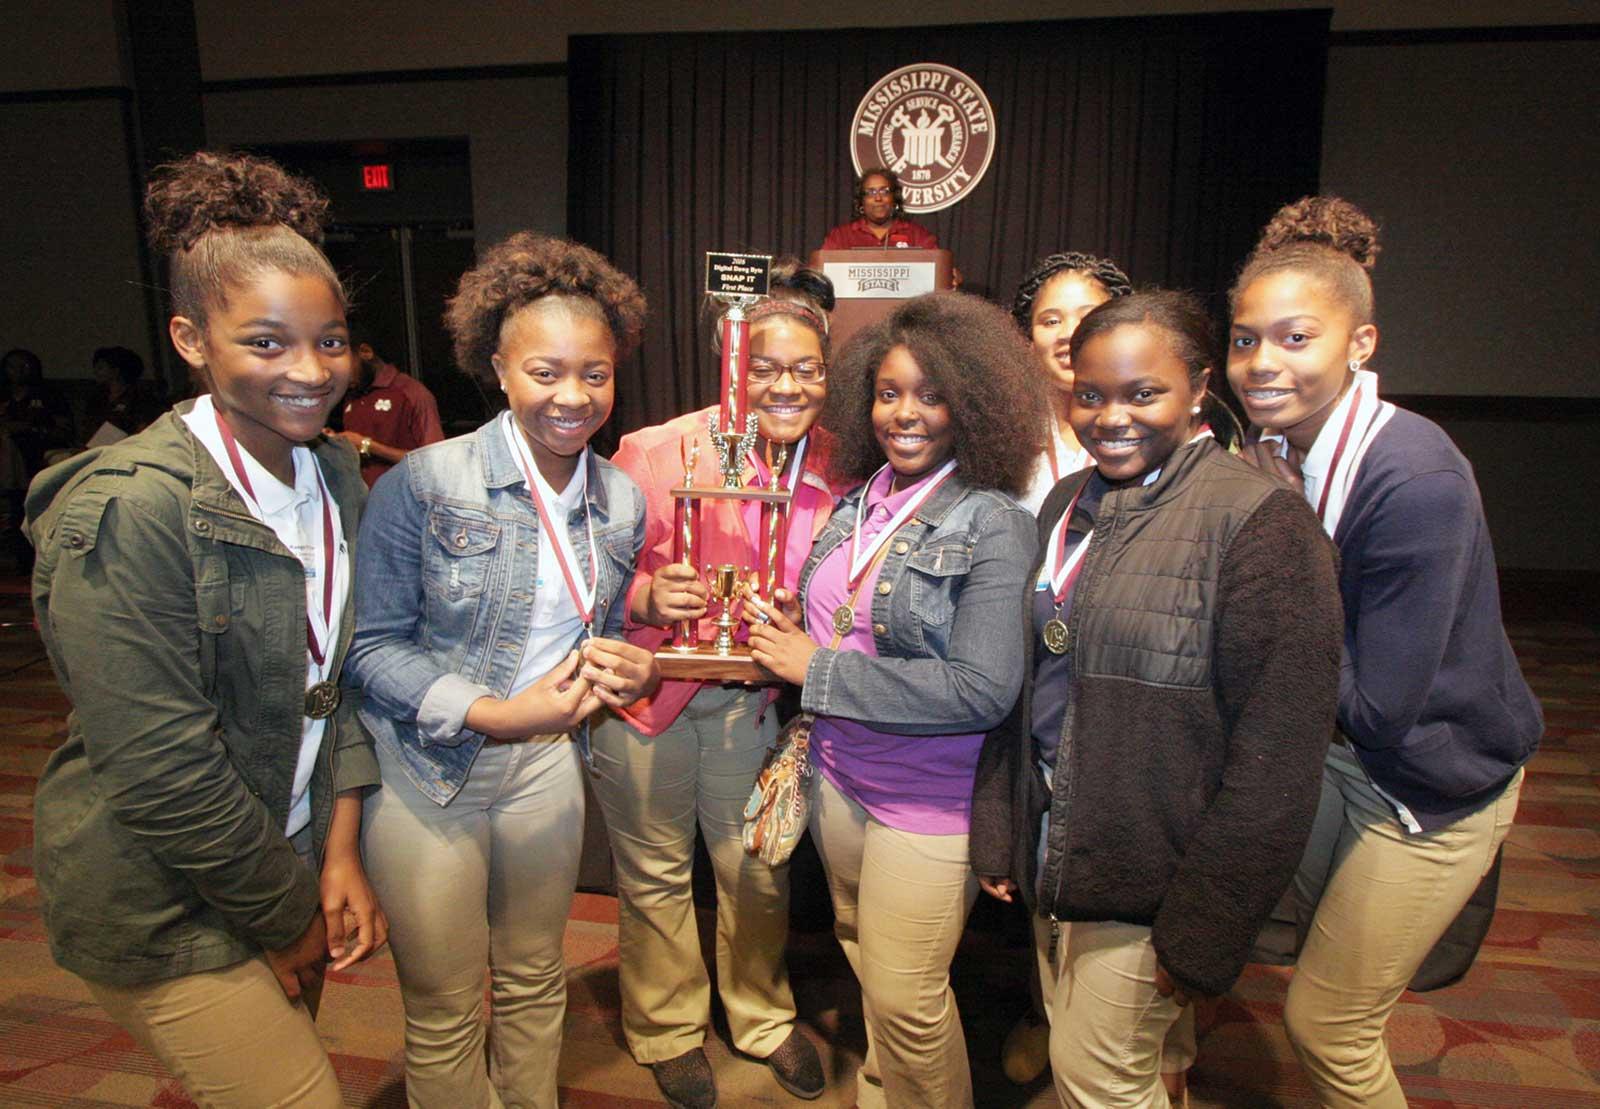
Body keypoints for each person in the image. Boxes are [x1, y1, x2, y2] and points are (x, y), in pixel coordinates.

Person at [24, 150, 386, 1107]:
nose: (311, 372)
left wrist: (338, 848)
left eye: (331, 340)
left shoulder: (334, 474)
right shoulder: (130, 510)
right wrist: (285, 915)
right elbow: (161, 769)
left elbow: (333, 677)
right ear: (190, 338)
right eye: (266, 343)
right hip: (167, 893)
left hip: (287, 854)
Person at [970, 289, 1345, 1108]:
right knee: (1133, 1068)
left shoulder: (1260, 523)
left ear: (1200, 387)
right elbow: (1031, 679)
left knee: (1098, 1080)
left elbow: (1278, 757)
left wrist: (1207, 924)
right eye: (1092, 394)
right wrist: (1003, 823)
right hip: (1058, 840)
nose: (1112, 417)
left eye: (1144, 394)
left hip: (1153, 872)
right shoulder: (1068, 500)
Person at [1227, 197, 1542, 1108]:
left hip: (1432, 775)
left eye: (1295, 338)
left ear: (1360, 344)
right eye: (1247, 341)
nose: (1263, 364)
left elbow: (1379, 709)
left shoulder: (1414, 479)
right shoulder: (1279, 440)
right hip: (1341, 755)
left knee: (1329, 1023)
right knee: (1283, 931)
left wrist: (1293, 550)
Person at [346, 231, 657, 1108]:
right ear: (500, 366)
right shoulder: (424, 483)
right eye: (546, 371)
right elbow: (370, 649)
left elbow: (584, 622)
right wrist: (490, 712)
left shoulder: (620, 498)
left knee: (533, 978)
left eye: (593, 373)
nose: (572, 395)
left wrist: (623, 668)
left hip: (543, 771)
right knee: (446, 1007)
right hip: (427, 771)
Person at [747, 291, 1044, 1109]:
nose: (903, 413)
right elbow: (850, 618)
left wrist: (817, 668)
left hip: (928, 804)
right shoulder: (861, 496)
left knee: (909, 999)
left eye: (930, 393)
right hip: (840, 780)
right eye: (887, 392)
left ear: (972, 404)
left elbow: (982, 687)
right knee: (858, 950)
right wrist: (792, 626)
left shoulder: (994, 523)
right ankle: (886, 1087)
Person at [590, 259, 842, 1107]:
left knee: (756, 868)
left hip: (755, 706)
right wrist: (643, 594)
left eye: (806, 367)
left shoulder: (840, 466)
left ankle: (761, 1016)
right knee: (656, 872)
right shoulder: (655, 453)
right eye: (764, 365)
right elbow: (581, 580)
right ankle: (665, 1025)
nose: (786, 385)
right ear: (729, 363)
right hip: (646, 700)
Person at [1010, 252, 1133, 515]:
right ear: (1028, 340)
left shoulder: (1147, 427)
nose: (1069, 333)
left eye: (1088, 317)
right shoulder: (1003, 431)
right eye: (1051, 321)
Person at [327, 335, 444, 487]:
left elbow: (436, 464)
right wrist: (335, 442)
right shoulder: (353, 394)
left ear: (365, 352)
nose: (341, 377)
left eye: (345, 367)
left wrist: (368, 446)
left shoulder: (411, 393)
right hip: (362, 504)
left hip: (403, 504)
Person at [821, 167, 940, 250]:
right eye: (871, 192)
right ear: (861, 201)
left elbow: (938, 267)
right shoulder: (840, 237)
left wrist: (953, 276)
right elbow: (820, 273)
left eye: (884, 191)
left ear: (894, 198)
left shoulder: (917, 235)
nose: (878, 197)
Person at [83, 345, 157, 441]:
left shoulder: (139, 397)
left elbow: (143, 430)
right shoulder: (97, 397)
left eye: (101, 368)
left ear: (116, 370)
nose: (96, 372)